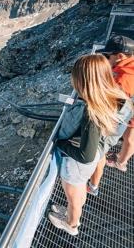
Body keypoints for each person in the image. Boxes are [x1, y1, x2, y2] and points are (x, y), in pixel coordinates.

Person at [48, 54, 133, 236]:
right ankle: (74, 211)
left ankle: (71, 224)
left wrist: (61, 143)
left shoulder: (92, 112)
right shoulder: (118, 96)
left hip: (78, 163)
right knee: (79, 189)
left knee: (73, 196)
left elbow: (85, 156)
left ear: (84, 82)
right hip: (96, 153)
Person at [88, 35, 134, 196]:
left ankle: (94, 185)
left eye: (108, 56)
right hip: (129, 111)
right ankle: (122, 160)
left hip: (122, 119)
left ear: (120, 56)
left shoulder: (124, 79)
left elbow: (111, 107)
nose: (106, 59)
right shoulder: (128, 66)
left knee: (102, 149)